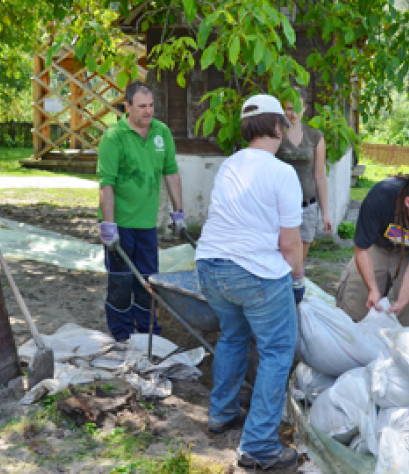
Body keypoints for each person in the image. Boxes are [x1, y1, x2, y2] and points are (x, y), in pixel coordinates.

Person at [195, 94, 304, 470]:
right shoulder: (281, 173)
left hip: (210, 267)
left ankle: (221, 412)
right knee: (277, 351)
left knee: (233, 336)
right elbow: (290, 243)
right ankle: (258, 445)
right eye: (285, 124)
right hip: (254, 274)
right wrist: (298, 279)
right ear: (277, 126)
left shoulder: (230, 165)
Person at [96, 81, 185, 342]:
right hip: (120, 223)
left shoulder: (161, 133)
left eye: (151, 106)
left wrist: (179, 213)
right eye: (142, 106)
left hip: (146, 224)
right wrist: (109, 226)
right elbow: (107, 184)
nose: (148, 112)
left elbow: (171, 173)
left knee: (148, 280)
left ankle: (147, 331)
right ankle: (122, 334)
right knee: (122, 281)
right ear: (128, 107)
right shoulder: (114, 137)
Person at [335, 172, 409, 326]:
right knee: (352, 308)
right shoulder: (380, 197)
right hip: (377, 247)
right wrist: (373, 289)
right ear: (408, 202)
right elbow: (362, 249)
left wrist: (402, 301)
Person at [275, 87, 333, 269]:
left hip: (307, 206)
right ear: (283, 109)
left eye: (297, 108)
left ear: (305, 108)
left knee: (298, 261)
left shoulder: (315, 136)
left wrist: (325, 213)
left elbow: (319, 176)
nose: (293, 114)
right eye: (289, 108)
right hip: (279, 207)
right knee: (279, 255)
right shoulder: (276, 135)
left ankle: (296, 290)